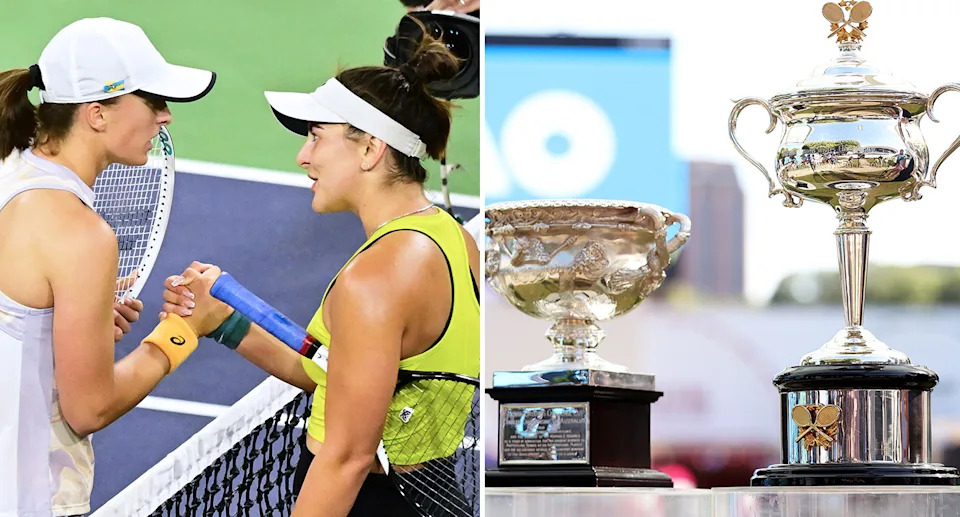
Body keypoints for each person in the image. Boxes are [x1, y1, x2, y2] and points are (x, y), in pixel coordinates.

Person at [160, 26, 480, 517]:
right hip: (425, 496)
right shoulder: (452, 239)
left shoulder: (378, 277)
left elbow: (348, 458)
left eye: (316, 136)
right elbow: (334, 377)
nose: (303, 156)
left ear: (371, 149)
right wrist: (223, 322)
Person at [0, 17, 215, 516]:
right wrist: (182, 332)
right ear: (97, 113)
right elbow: (89, 407)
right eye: (154, 102)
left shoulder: (8, 169)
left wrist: (70, 326)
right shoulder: (81, 235)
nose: (166, 119)